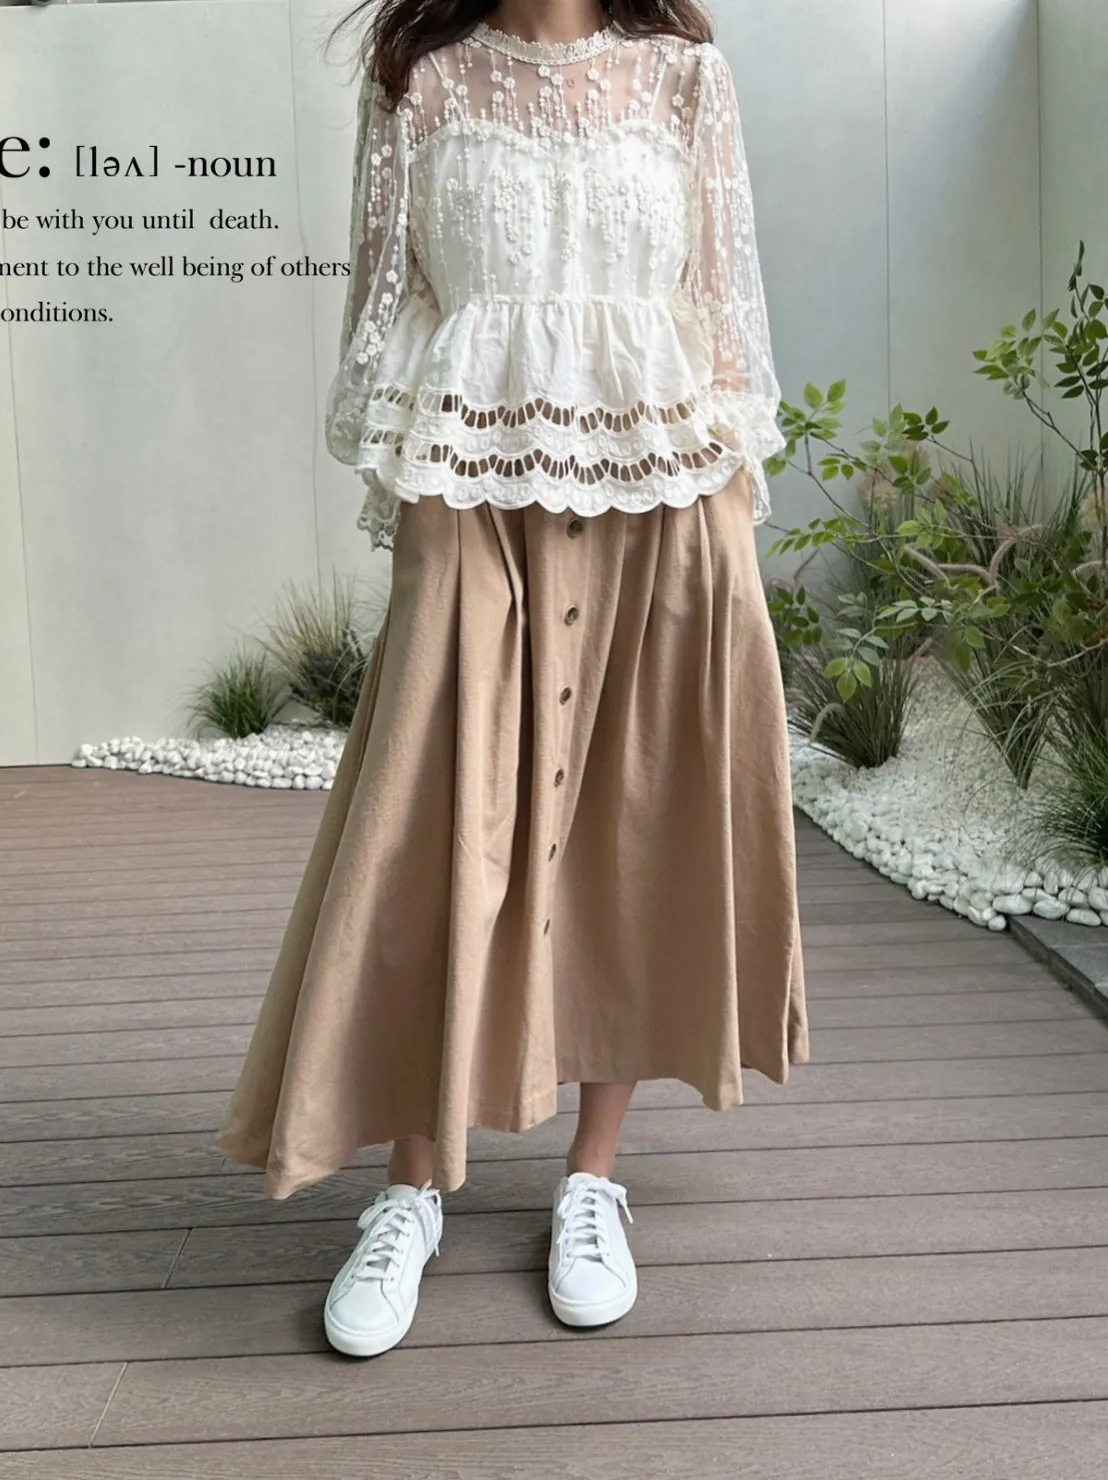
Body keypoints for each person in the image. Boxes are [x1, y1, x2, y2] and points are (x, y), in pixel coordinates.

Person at [218, 0, 809, 1359]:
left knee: (636, 827)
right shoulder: (419, 80)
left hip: (669, 491)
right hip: (472, 488)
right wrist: (419, 510)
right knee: (439, 830)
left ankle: (592, 1182)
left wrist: (729, 514)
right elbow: (386, 307)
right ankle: (412, 1186)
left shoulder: (687, 81)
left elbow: (725, 305)